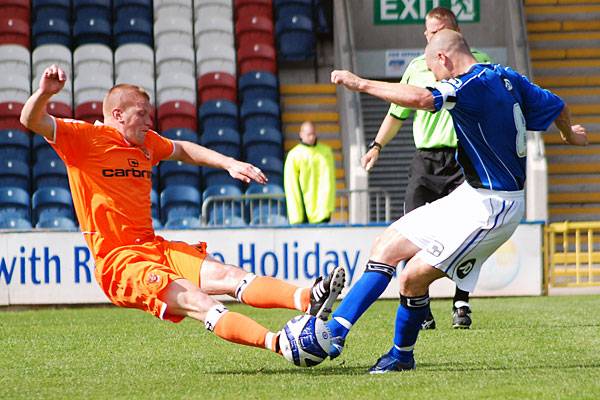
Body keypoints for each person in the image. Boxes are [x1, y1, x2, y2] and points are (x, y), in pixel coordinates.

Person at [19, 65, 346, 361]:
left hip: (153, 246)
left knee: (228, 275)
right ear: (117, 114)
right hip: (119, 262)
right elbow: (31, 120)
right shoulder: (85, 139)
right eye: (142, 114)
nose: (150, 121)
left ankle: (306, 298)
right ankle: (280, 344)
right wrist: (45, 93)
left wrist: (229, 163)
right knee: (202, 302)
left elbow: (184, 149)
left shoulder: (145, 143)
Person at [327, 29, 587, 373]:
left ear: (443, 59)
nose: (432, 76)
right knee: (385, 244)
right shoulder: (506, 76)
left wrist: (359, 84)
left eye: (431, 69)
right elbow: (558, 106)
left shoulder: (467, 85)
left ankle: (402, 356)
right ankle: (332, 334)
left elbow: (422, 99)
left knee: (411, 279)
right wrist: (569, 135)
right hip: (471, 194)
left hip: (496, 207)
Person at [363, 7, 492, 330]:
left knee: (469, 231)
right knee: (412, 231)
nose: (426, 36)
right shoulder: (417, 67)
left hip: (466, 158)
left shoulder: (480, 62)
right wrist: (376, 146)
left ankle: (461, 301)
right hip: (425, 161)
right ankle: (421, 306)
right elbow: (397, 114)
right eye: (426, 31)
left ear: (450, 30)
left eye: (432, 31)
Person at [284, 121, 336, 224]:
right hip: (302, 212)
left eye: (313, 134)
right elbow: (291, 185)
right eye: (309, 134)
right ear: (301, 134)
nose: (311, 137)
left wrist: (328, 207)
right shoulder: (294, 155)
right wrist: (296, 213)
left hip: (323, 210)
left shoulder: (326, 152)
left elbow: (329, 181)